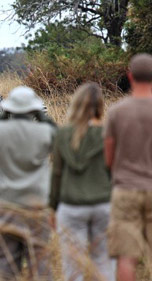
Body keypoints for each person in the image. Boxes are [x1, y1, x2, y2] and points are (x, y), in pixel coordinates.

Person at [104, 54, 152, 281]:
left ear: (129, 76)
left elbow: (108, 158)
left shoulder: (116, 112)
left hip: (125, 189)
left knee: (126, 257)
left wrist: (121, 175)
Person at [0, 86, 56, 281]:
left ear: (9, 109)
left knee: (6, 264)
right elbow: (60, 137)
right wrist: (43, 116)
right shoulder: (45, 131)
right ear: (34, 109)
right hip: (37, 205)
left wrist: (3, 115)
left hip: (6, 205)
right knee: (40, 264)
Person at [50, 82, 115, 281]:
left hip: (71, 207)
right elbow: (114, 173)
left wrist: (51, 207)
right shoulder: (108, 134)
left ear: (75, 104)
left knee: (73, 268)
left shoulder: (62, 134)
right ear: (101, 106)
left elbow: (56, 175)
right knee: (104, 265)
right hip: (103, 205)